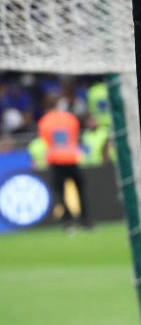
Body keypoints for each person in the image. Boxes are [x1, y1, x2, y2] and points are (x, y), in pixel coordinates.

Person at [37, 96, 91, 228]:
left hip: (56, 160)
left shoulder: (44, 121)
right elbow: (75, 134)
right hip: (71, 158)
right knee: (80, 189)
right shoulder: (70, 118)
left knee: (61, 192)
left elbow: (45, 140)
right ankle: (85, 220)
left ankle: (68, 221)